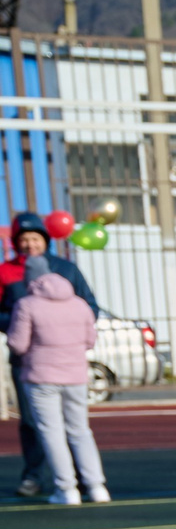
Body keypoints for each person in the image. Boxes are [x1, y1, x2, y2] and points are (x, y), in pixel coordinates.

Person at [2, 214, 96, 499]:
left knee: (71, 424)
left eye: (35, 238)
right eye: (24, 240)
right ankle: (35, 474)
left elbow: (89, 306)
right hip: (28, 364)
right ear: (17, 243)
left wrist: (65, 334)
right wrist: (21, 323)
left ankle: (78, 480)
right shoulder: (6, 272)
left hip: (65, 361)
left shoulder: (66, 269)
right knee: (33, 422)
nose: (30, 244)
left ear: (46, 240)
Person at [7, 272, 107, 504]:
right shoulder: (80, 305)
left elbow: (18, 344)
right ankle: (96, 486)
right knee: (80, 430)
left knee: (51, 432)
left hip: (42, 376)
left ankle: (66, 488)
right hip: (76, 375)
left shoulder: (27, 304)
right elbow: (90, 340)